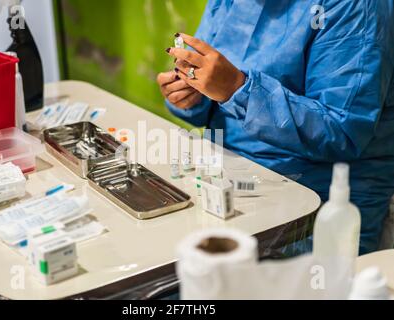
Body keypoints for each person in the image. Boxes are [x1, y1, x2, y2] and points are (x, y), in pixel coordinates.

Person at [157, 0, 394, 255]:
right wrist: (191, 95)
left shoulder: (355, 6)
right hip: (226, 181)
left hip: (317, 206)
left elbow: (341, 133)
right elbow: (211, 87)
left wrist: (238, 89)